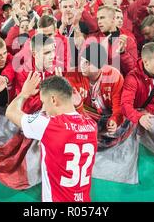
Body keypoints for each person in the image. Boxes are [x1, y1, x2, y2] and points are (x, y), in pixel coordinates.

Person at [5, 74, 98, 202]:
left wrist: (24, 94)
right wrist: (79, 106)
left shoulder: (49, 125)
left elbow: (11, 112)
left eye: (43, 102)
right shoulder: (91, 125)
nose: (44, 108)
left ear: (53, 100)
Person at [66, 42, 129, 148]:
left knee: (127, 118)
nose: (82, 66)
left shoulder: (114, 76)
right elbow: (70, 108)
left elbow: (118, 106)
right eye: (82, 61)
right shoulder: (72, 75)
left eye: (87, 63)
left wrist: (115, 120)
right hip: (85, 115)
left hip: (107, 115)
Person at [121, 42, 154, 130]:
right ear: (146, 62)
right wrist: (139, 117)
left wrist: (150, 109)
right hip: (135, 121)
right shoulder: (133, 78)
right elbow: (125, 105)